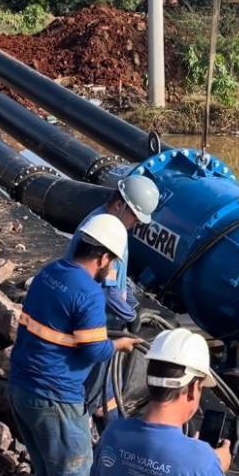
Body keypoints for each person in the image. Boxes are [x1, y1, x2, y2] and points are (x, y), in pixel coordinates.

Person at [9, 214, 145, 476]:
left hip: (20, 389)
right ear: (103, 257)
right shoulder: (89, 293)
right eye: (111, 264)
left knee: (47, 472)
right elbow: (93, 351)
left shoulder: (50, 272)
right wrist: (119, 344)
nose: (110, 271)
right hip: (55, 399)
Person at [94, 328, 239, 476]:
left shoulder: (112, 434)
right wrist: (217, 471)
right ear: (192, 389)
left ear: (148, 381)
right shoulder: (201, 462)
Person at [69, 175, 159, 417]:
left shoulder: (106, 223)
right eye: (135, 217)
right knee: (95, 378)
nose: (136, 224)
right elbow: (108, 291)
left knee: (105, 379)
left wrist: (130, 299)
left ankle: (99, 411)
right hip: (99, 319)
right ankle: (89, 419)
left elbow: (118, 280)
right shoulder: (105, 232)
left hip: (98, 314)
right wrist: (131, 315)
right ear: (120, 205)